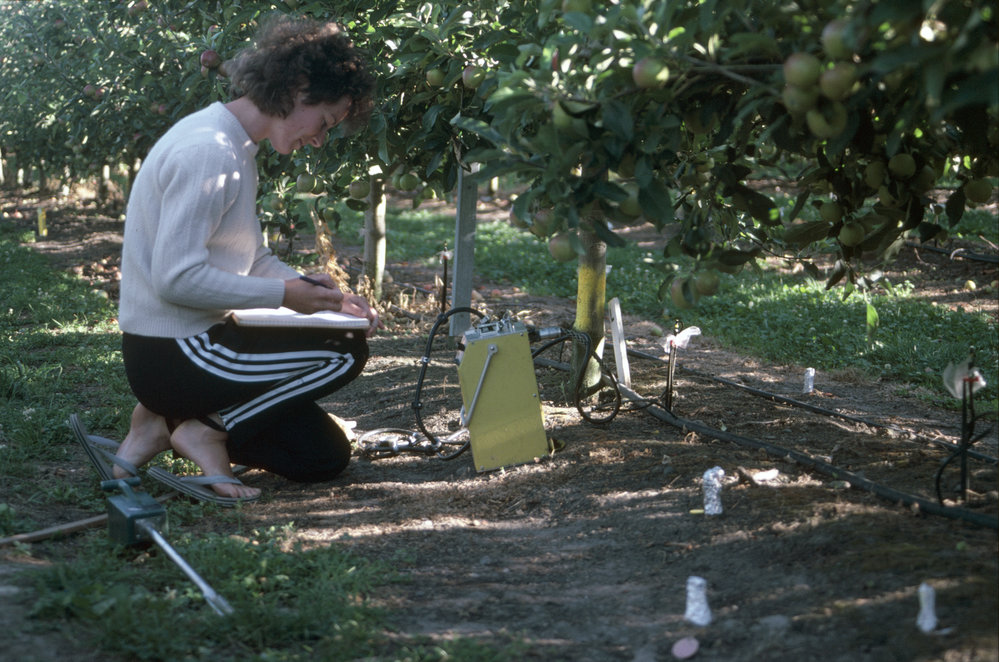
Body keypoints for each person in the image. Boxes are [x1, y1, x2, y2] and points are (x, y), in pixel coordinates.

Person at [111, 15, 379, 501]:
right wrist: (286, 296)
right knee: (344, 349)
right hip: (175, 354)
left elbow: (250, 260)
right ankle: (203, 428)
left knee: (321, 457)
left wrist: (317, 294)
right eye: (325, 123)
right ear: (298, 89)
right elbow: (176, 279)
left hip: (191, 345)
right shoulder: (209, 152)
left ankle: (158, 423)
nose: (319, 140)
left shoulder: (233, 145)